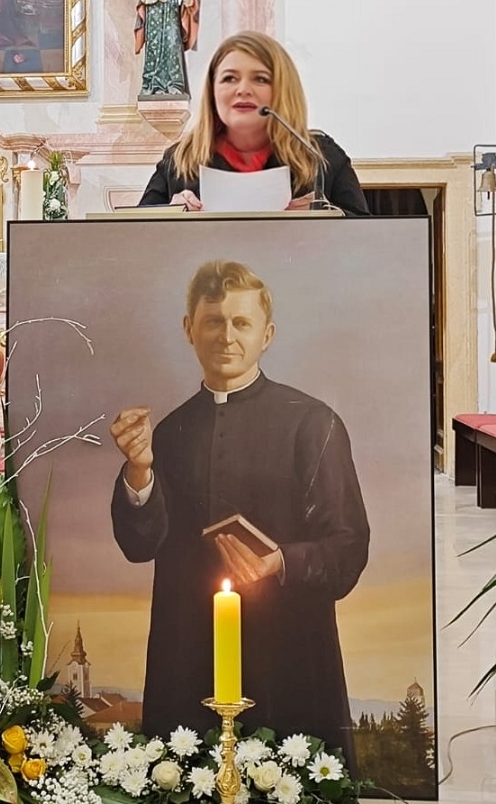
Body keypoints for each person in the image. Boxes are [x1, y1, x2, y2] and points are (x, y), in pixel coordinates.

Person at [109, 260, 370, 767]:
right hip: (188, 651)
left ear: (266, 335)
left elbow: (349, 549)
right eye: (213, 321)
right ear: (189, 329)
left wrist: (280, 560)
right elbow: (139, 546)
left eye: (241, 322)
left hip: (289, 653)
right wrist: (139, 471)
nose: (226, 336)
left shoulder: (314, 424)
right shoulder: (169, 433)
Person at [138, 31, 370, 215]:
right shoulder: (179, 159)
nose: (243, 90)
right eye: (229, 78)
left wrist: (326, 217)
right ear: (212, 91)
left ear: (283, 90)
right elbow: (135, 240)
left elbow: (366, 241)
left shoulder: (321, 157)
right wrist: (169, 215)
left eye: (260, 79)